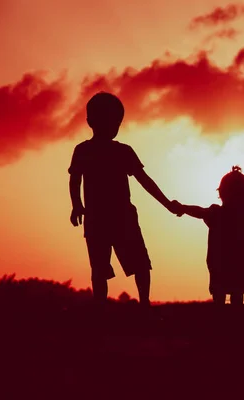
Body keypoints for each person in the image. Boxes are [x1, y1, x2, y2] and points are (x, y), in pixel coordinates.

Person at [68, 91, 179, 307]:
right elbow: (75, 180)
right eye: (108, 120)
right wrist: (76, 205)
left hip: (121, 218)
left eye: (116, 121)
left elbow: (144, 180)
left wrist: (167, 204)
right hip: (98, 219)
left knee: (139, 264)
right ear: (91, 121)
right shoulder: (83, 151)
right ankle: (103, 307)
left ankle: (144, 304)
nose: (112, 125)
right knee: (100, 268)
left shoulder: (123, 152)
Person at [172, 166, 244, 305]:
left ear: (222, 192)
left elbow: (199, 211)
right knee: (237, 291)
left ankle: (220, 319)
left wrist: (183, 208)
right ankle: (233, 320)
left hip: (219, 261)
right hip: (239, 258)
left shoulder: (216, 213)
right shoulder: (242, 209)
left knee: (221, 292)